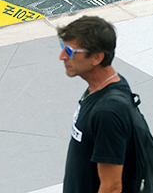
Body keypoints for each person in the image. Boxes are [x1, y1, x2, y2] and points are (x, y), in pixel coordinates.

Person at [58, 16, 136, 193]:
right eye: (63, 48)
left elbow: (112, 187)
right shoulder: (99, 89)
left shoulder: (107, 112)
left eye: (69, 51)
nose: (62, 56)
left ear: (96, 58)